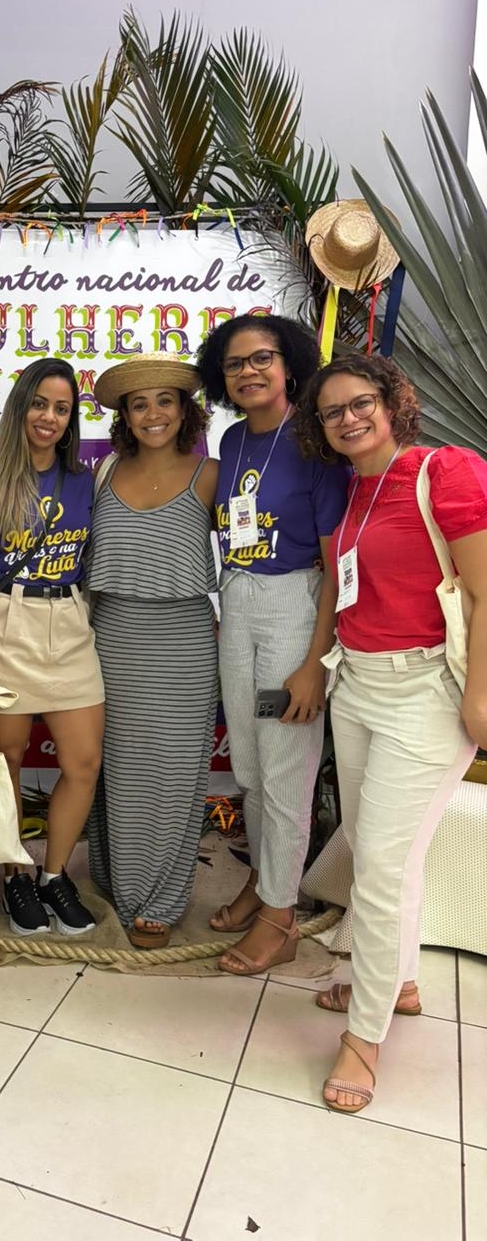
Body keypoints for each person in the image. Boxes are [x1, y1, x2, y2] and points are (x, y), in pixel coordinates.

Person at [293, 353, 487, 1113]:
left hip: (426, 693)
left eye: (360, 402)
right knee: (381, 853)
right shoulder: (357, 488)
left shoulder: (447, 471)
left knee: (377, 865)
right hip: (359, 686)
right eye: (332, 411)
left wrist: (479, 696)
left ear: (393, 401)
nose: (348, 419)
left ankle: (364, 1038)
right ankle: (395, 980)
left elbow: (484, 591)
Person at [197, 314, 349, 974]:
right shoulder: (232, 440)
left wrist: (314, 662)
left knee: (285, 768)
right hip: (239, 606)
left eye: (262, 358)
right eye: (235, 363)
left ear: (288, 365)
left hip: (293, 612)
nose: (249, 371)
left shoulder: (315, 442)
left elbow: (335, 564)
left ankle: (281, 918)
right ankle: (264, 883)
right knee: (252, 766)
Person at [0, 357, 104, 937]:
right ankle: (16, 874)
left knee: (83, 763)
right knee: (8, 762)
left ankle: (55, 875)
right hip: (7, 625)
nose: (49, 417)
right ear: (20, 406)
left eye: (62, 408)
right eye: (39, 403)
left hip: (68, 622)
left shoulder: (86, 481)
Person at [88, 353, 219, 948]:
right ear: (124, 416)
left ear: (185, 410)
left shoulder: (210, 475)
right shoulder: (103, 473)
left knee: (171, 773)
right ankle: (116, 880)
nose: (153, 413)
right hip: (111, 638)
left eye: (165, 400)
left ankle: (160, 898)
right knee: (116, 767)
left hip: (184, 644)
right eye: (139, 404)